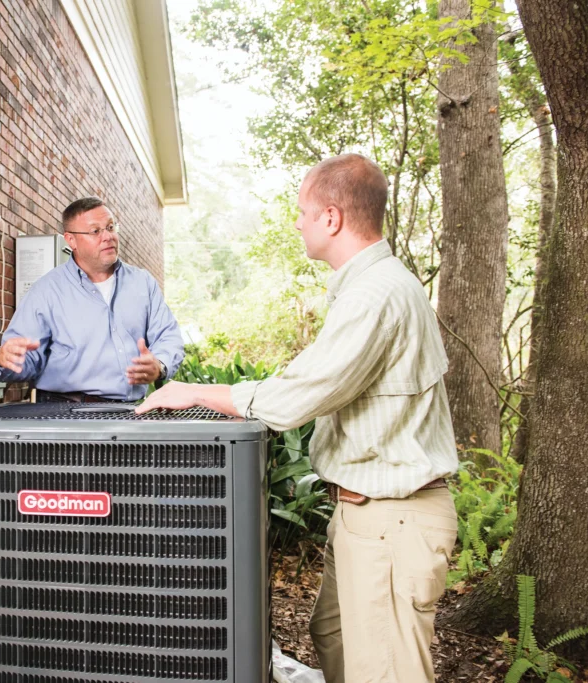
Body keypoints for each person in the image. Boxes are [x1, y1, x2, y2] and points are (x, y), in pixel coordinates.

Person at [137, 154, 459, 683]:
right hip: (365, 513)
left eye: (303, 212)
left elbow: (292, 400)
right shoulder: (366, 288)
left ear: (331, 218)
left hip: (392, 518)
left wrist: (189, 391)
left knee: (381, 672)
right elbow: (318, 379)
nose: (297, 223)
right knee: (332, 638)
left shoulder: (376, 295)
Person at [0, 196, 185, 402]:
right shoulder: (45, 291)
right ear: (71, 240)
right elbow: (24, 361)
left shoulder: (143, 283)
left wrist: (159, 365)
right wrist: (4, 359)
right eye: (95, 231)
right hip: (61, 414)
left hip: (126, 413)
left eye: (110, 227)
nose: (108, 236)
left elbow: (168, 337)